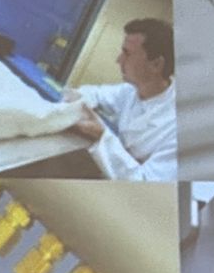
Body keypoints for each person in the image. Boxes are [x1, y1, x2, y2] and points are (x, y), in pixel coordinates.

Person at [69, 17, 177, 181]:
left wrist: (102, 136)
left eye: (127, 53)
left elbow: (145, 182)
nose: (118, 60)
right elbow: (91, 93)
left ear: (156, 64)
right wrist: (80, 106)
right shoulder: (131, 90)